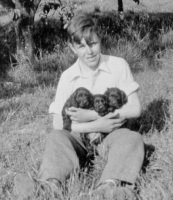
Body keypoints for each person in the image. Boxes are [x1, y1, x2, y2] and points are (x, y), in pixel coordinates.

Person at [14, 11, 144, 200]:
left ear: (100, 40)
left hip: (113, 135)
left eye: (93, 43)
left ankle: (110, 188)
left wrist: (92, 115)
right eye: (81, 47)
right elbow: (58, 124)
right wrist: (94, 125)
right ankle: (49, 186)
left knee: (133, 139)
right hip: (79, 138)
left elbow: (135, 108)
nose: (89, 51)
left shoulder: (118, 65)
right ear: (72, 48)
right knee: (57, 137)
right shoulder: (68, 76)